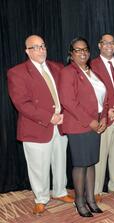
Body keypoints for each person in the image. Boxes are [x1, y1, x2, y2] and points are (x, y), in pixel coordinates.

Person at [7, 35, 74, 215]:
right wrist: (49, 117)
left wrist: (64, 115)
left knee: (60, 161)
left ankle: (60, 191)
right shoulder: (17, 72)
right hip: (36, 127)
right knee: (39, 167)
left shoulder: (57, 67)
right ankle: (41, 198)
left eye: (43, 46)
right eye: (36, 47)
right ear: (27, 51)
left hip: (60, 125)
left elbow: (67, 94)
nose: (41, 49)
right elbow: (22, 103)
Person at [59, 37, 107, 217]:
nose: (83, 52)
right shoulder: (68, 72)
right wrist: (91, 122)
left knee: (91, 162)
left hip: (95, 125)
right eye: (78, 50)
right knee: (80, 164)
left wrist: (103, 119)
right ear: (71, 53)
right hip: (79, 126)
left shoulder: (92, 72)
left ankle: (91, 200)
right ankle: (79, 202)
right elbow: (69, 102)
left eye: (85, 49)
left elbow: (103, 99)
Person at [91, 34, 114, 201]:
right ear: (99, 45)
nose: (109, 46)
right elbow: (91, 95)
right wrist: (104, 114)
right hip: (103, 118)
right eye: (105, 43)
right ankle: (97, 189)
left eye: (112, 43)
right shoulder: (92, 66)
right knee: (100, 155)